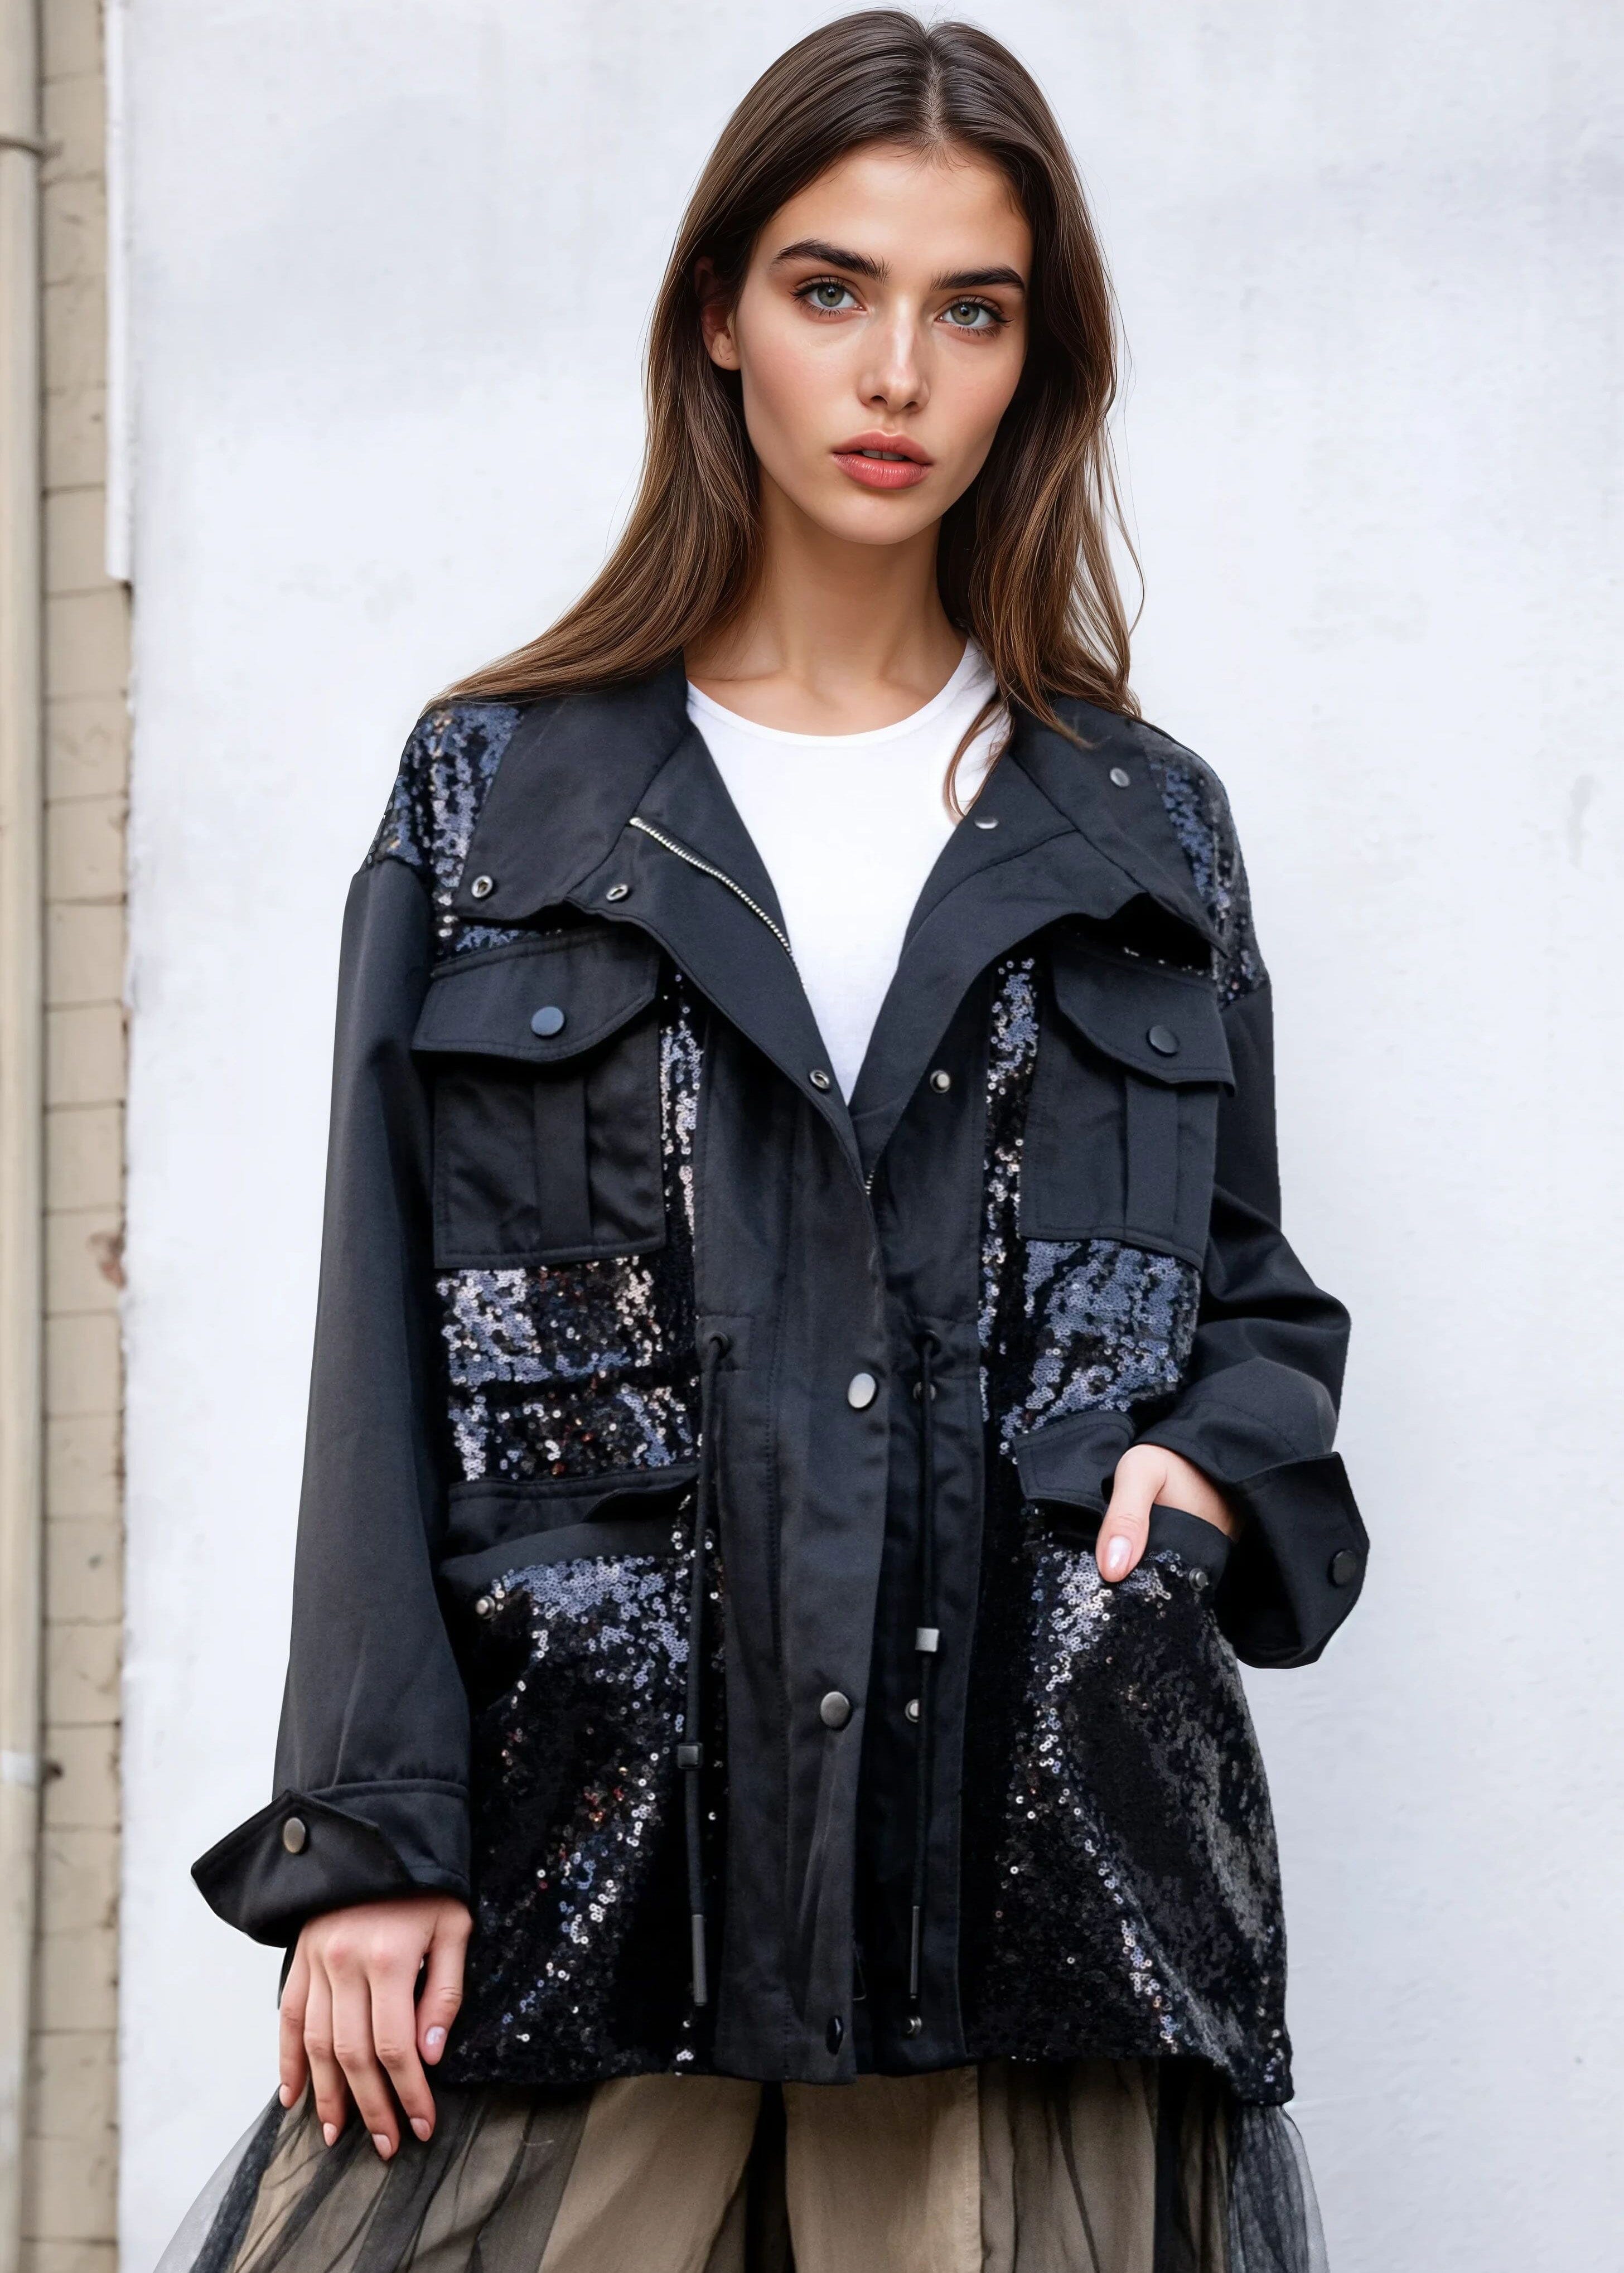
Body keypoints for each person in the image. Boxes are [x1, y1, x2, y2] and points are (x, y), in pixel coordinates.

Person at [171, 13, 1366, 2270]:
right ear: (720, 315)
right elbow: (376, 1335)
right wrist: (369, 1828)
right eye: (834, 290)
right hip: (587, 1835)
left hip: (1023, 1854)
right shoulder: (497, 796)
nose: (896, 372)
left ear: (1032, 365)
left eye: (971, 310)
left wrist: (1208, 1468)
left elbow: (1254, 1298)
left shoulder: (1141, 825)